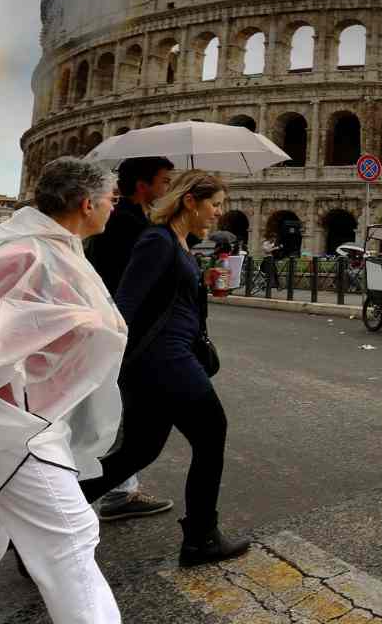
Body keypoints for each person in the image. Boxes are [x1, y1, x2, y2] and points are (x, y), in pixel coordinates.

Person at [0, 158, 125, 622]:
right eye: (111, 199)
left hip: (11, 422)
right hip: (14, 424)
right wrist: (55, 329)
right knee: (70, 540)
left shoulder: (54, 249)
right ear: (87, 204)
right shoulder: (28, 253)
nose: (114, 206)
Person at [78, 170, 251, 567]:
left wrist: (202, 282)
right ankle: (201, 539)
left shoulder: (179, 244)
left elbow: (173, 298)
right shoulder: (157, 241)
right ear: (190, 201)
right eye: (214, 204)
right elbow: (127, 302)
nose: (218, 213)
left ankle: (48, 520)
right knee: (211, 432)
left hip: (162, 361)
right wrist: (107, 363)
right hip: (164, 360)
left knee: (139, 449)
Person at [85, 156, 176, 523]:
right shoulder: (126, 224)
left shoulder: (131, 220)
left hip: (119, 329)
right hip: (122, 330)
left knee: (115, 415)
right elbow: (131, 282)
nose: (167, 187)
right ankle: (84, 501)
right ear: (143, 185)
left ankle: (118, 492)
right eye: (164, 180)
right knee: (114, 419)